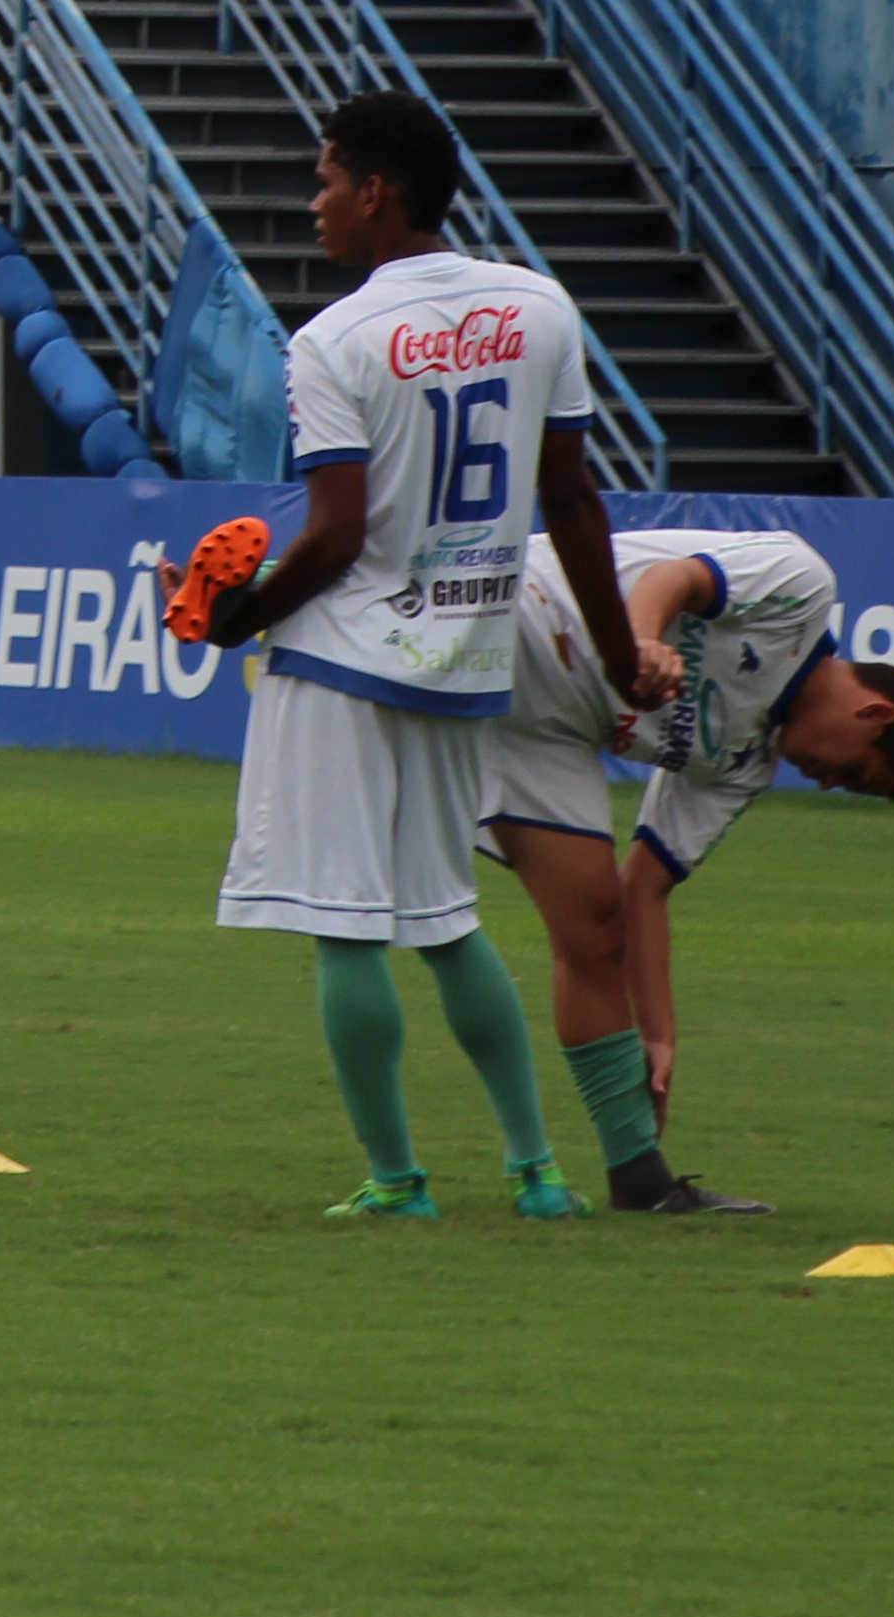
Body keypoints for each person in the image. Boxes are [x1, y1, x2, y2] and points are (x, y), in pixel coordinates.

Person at [170, 88, 645, 1223]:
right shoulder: (541, 307)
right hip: (465, 656)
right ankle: (536, 1172)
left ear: (375, 193)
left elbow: (337, 532)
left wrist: (241, 615)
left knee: (345, 923)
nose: (316, 204)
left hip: (340, 661)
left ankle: (397, 1181)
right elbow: (572, 499)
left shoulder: (332, 338)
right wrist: (623, 660)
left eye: (326, 181)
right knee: (444, 919)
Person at [474, 523, 894, 1215]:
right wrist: (638, 645)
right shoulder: (802, 586)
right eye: (854, 773)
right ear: (874, 712)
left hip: (542, 735)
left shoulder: (741, 767)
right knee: (380, 626)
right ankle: (284, 575)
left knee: (594, 927)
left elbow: (645, 886)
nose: (826, 784)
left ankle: (639, 1181)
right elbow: (672, 578)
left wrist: (659, 1034)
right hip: (535, 609)